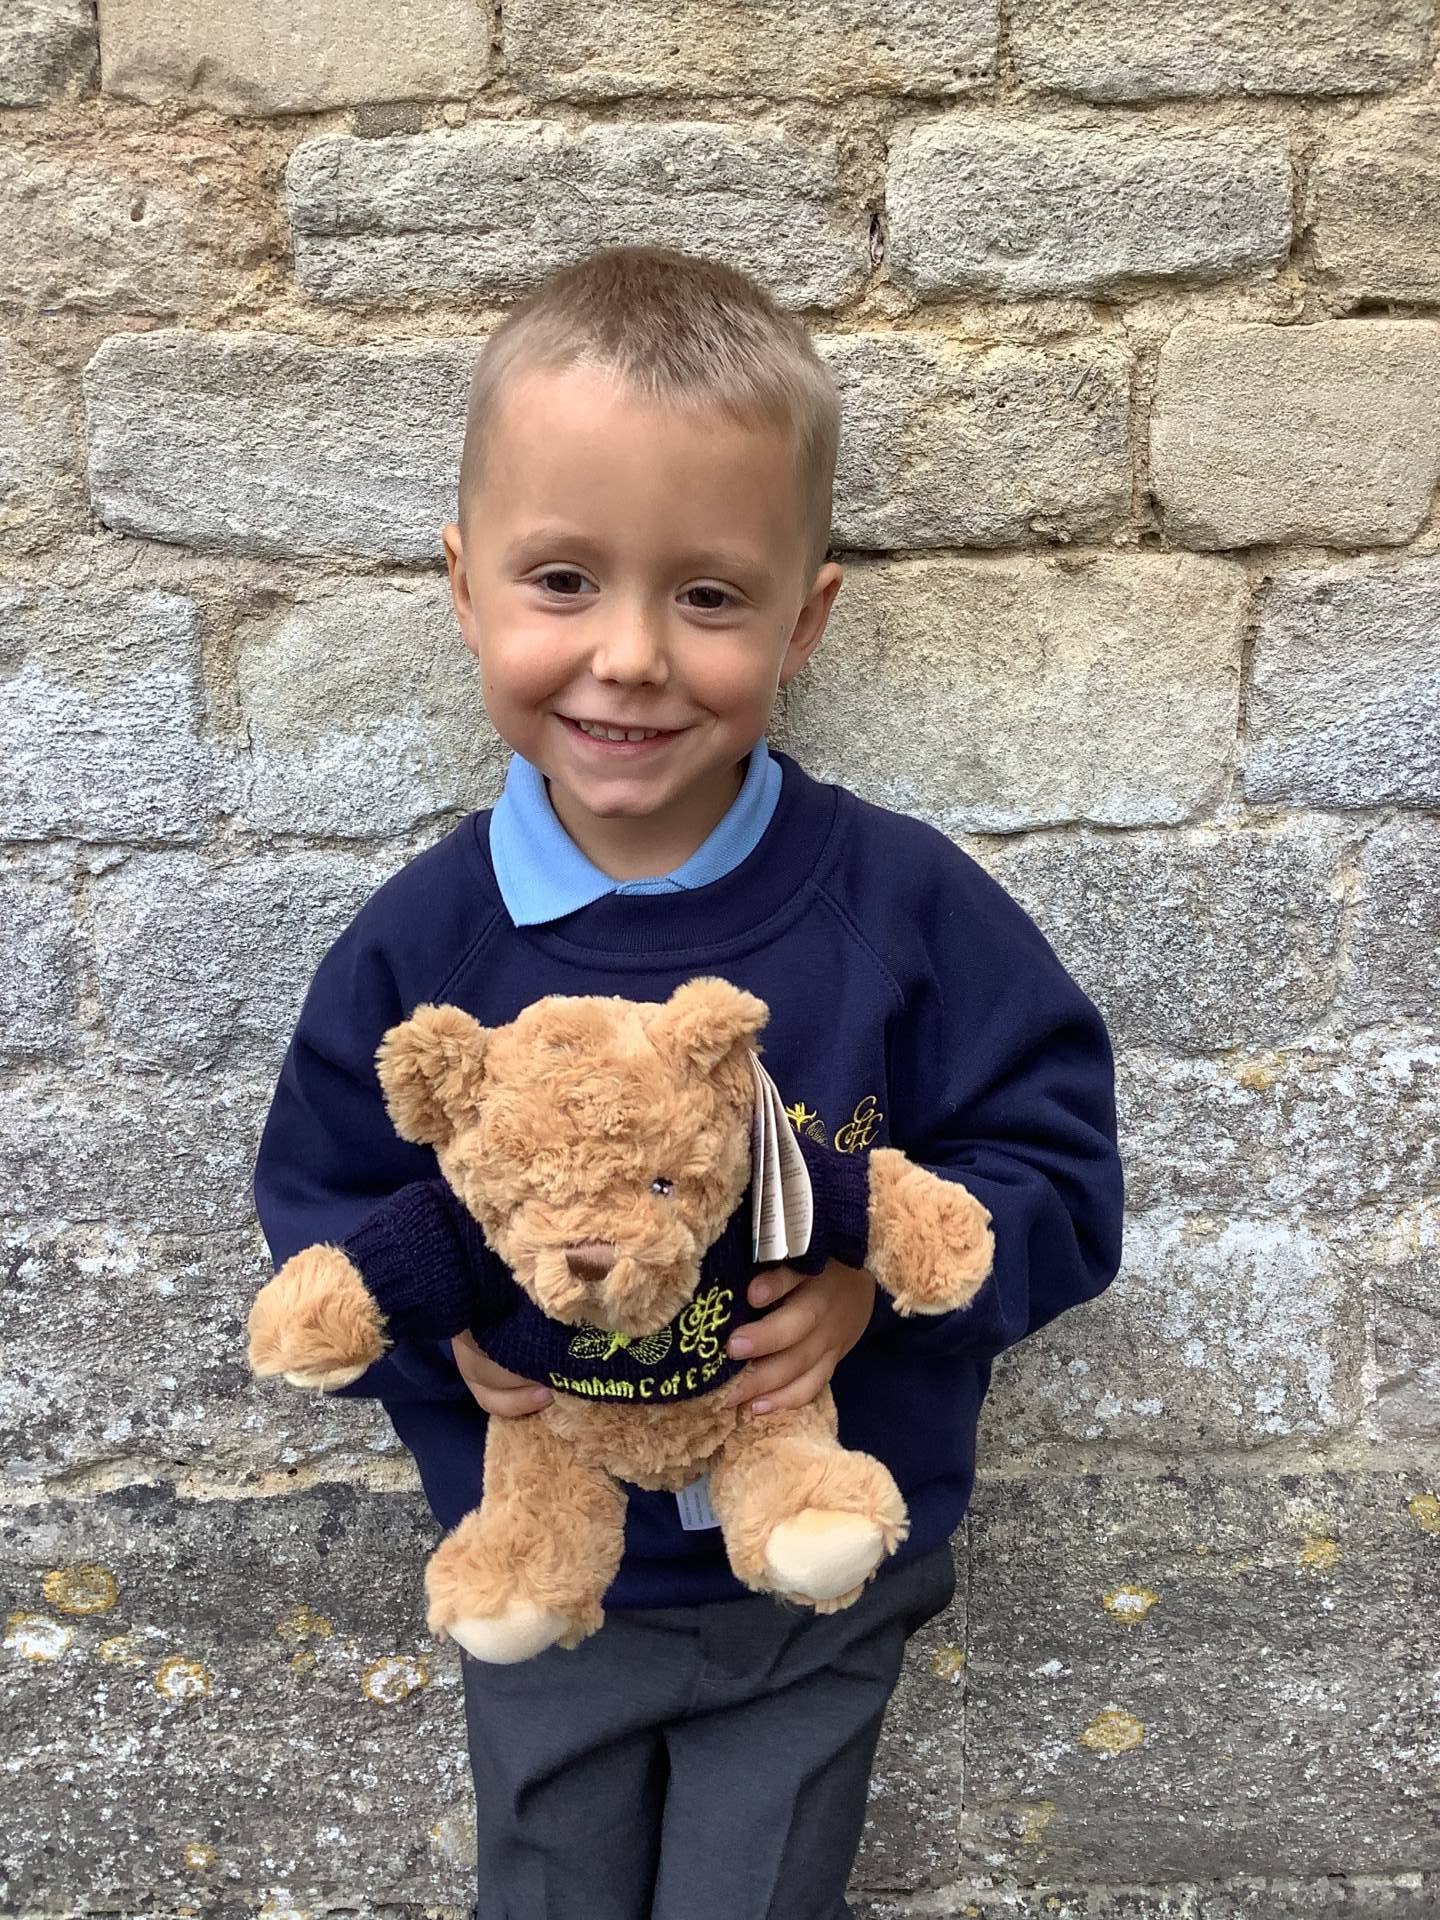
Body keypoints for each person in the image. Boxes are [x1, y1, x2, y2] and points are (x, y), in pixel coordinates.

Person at [252, 243, 1126, 1920]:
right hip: (550, 1579)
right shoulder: (421, 947)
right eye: (562, 579)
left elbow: (1059, 1174)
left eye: (710, 596)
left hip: (813, 1575)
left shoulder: (904, 910)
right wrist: (440, 1334)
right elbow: (325, 1210)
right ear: (464, 589)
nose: (633, 654)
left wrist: (873, 1289)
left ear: (806, 618)